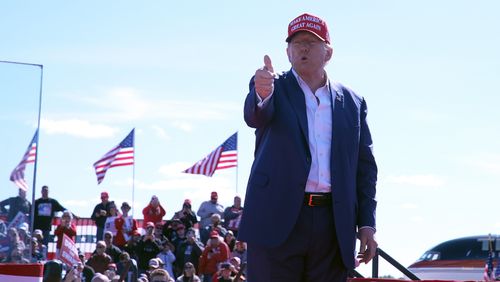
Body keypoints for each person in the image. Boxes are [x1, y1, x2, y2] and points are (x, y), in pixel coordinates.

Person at [238, 13, 378, 281]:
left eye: (311, 42)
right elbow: (255, 116)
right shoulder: (271, 86)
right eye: (297, 42)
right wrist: (262, 93)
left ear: (328, 52)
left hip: (333, 224)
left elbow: (365, 167)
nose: (303, 48)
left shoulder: (353, 102)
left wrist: (367, 224)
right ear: (287, 52)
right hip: (276, 221)